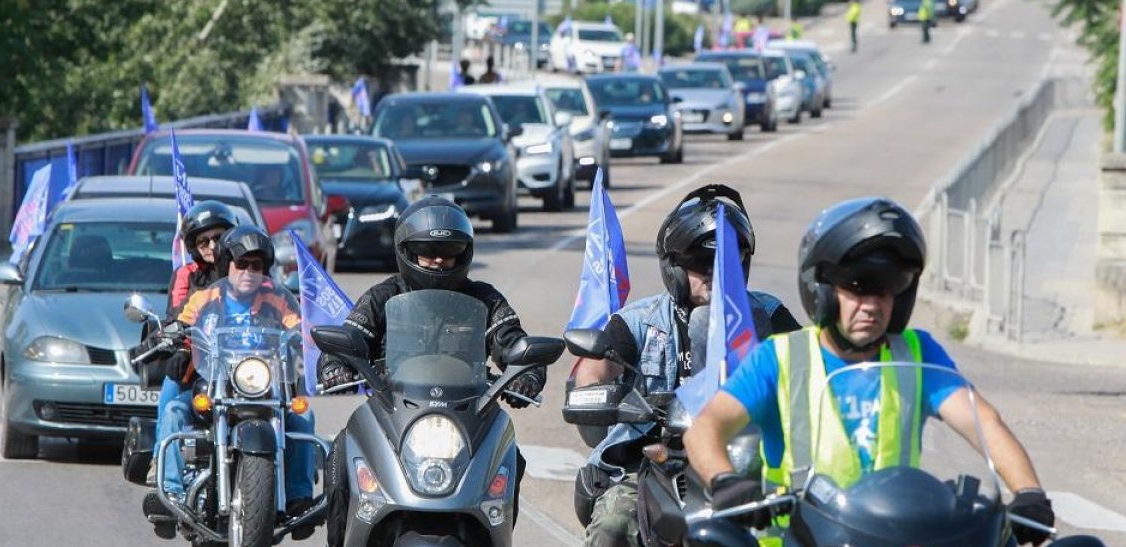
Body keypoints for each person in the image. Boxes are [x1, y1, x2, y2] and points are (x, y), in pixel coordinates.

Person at [683, 197, 1056, 547]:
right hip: (800, 537)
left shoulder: (916, 352)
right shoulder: (780, 358)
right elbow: (706, 426)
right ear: (823, 289)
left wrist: (1028, 492)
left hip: (891, 537)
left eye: (886, 289)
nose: (871, 305)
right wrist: (726, 481)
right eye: (857, 287)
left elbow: (984, 422)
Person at [571, 184, 802, 547]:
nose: (713, 272)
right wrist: (598, 394)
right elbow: (594, 369)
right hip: (655, 457)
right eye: (700, 263)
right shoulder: (639, 320)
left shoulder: (766, 313)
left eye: (724, 260)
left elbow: (807, 363)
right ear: (674, 266)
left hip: (747, 455)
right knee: (612, 525)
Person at [316, 196, 546, 547]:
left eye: (449, 250)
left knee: (511, 456)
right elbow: (349, 336)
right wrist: (334, 366)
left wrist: (527, 373)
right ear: (407, 250)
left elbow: (513, 342)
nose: (439, 260)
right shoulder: (382, 297)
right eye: (428, 249)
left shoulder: (486, 300)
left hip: (470, 413)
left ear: (464, 252)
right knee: (342, 450)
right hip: (392, 413)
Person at [143, 226, 320, 539]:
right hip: (214, 386)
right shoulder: (204, 297)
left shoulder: (279, 298)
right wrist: (170, 333)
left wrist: (315, 338)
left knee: (304, 416)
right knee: (173, 410)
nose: (249, 272)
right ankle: (169, 494)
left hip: (266, 388)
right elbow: (180, 321)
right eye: (242, 264)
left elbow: (300, 328)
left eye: (257, 265)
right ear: (227, 264)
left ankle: (298, 498)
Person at [131, 200, 238, 486]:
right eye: (203, 241)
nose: (212, 245)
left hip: (243, 361)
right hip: (198, 357)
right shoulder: (186, 275)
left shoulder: (247, 270)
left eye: (218, 237)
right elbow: (178, 313)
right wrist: (179, 343)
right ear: (193, 246)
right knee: (172, 388)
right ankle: (159, 459)